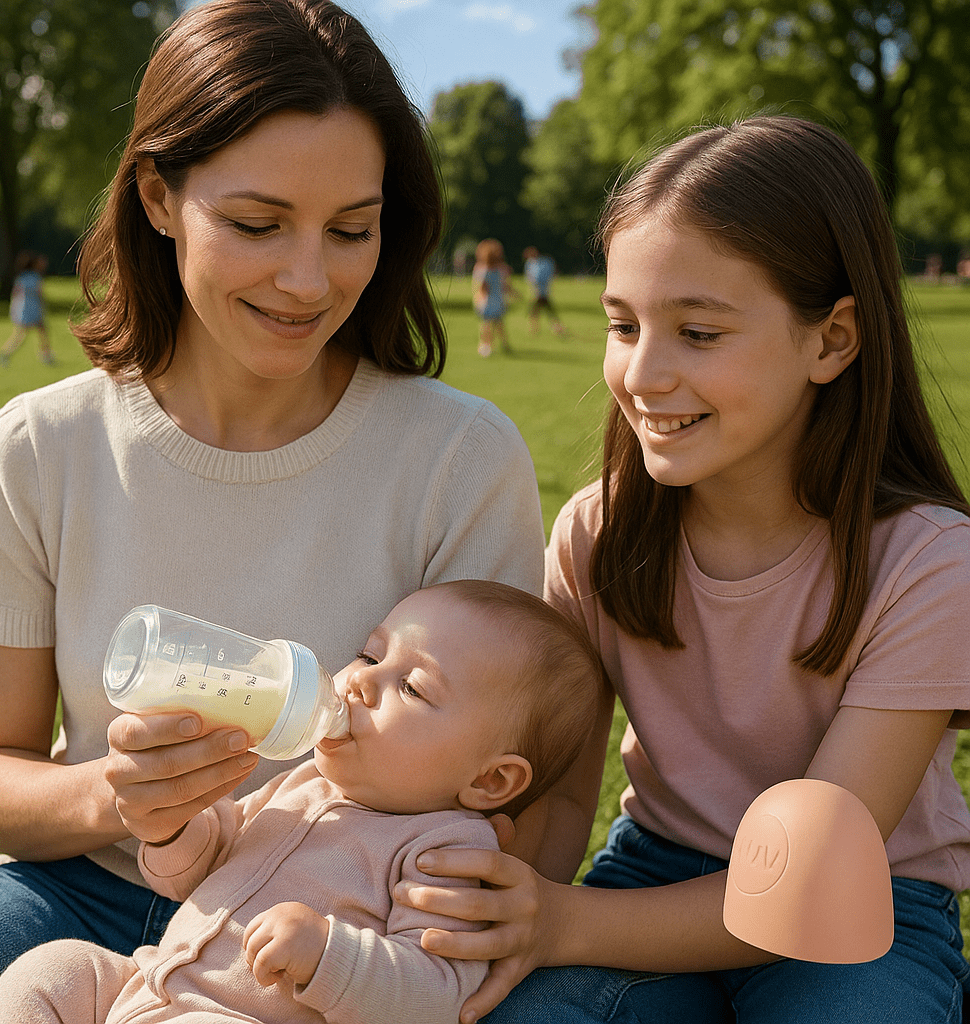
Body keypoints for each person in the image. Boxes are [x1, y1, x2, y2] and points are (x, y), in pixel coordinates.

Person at [0, 2, 545, 1022]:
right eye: (258, 225)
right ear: (159, 195)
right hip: (75, 892)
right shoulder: (39, 446)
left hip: (335, 922)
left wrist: (360, 956)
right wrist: (115, 796)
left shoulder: (459, 458)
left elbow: (510, 790)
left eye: (351, 229)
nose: (308, 280)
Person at [394, 116, 970, 1024]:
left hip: (869, 908)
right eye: (624, 324)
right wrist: (503, 933)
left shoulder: (929, 563)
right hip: (653, 873)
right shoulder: (597, 533)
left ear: (832, 340)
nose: (644, 374)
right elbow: (559, 799)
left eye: (697, 332)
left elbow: (804, 886)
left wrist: (559, 924)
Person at [0, 581, 605, 1024]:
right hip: (148, 986)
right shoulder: (307, 782)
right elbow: (201, 866)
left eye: (409, 687)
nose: (359, 679)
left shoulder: (446, 853)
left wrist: (330, 955)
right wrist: (172, 832)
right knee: (55, 972)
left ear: (490, 782)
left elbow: (436, 996)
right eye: (371, 653)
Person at [0, 252, 55, 366]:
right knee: (27, 334)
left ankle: (45, 355)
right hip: (33, 309)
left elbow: (15, 294)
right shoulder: (35, 277)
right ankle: (6, 353)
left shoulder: (21, 277)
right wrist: (43, 307)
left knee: (37, 332)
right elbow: (39, 294)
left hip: (23, 308)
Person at [472, 238, 518, 357]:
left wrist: (479, 299)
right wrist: (514, 294)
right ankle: (502, 344)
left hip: (488, 301)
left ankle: (486, 345)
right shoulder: (502, 269)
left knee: (487, 324)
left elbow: (482, 288)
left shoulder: (482, 269)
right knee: (497, 323)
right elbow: (506, 286)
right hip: (497, 300)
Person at [521, 246, 564, 336]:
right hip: (538, 291)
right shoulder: (531, 263)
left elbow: (542, 277)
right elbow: (529, 278)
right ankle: (556, 327)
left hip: (541, 292)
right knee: (545, 311)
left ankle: (536, 329)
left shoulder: (543, 263)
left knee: (537, 311)